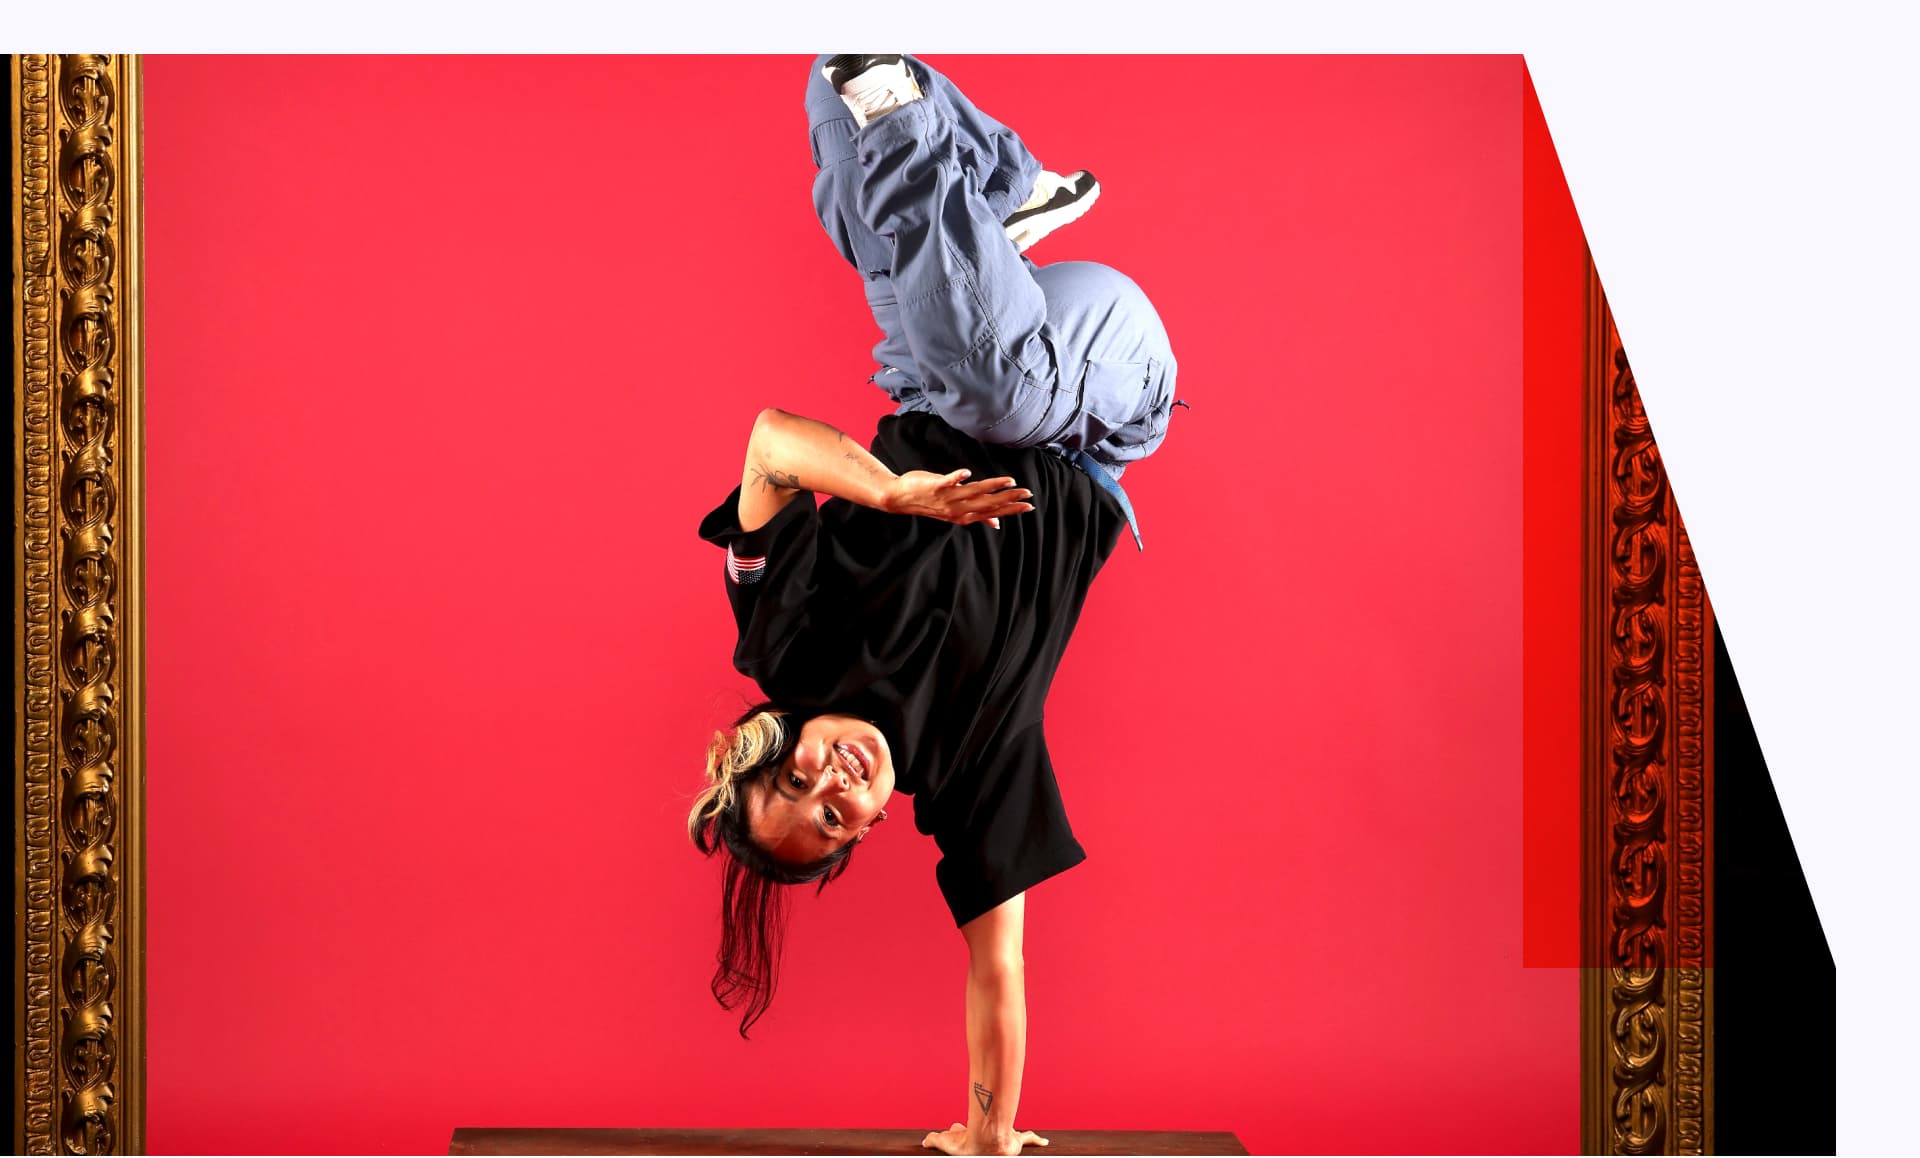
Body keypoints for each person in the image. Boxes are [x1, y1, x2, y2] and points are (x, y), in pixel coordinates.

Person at [686, 55, 1181, 1156]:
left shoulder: (789, 641)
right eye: (828, 817)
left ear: (782, 744)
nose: (831, 780)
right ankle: (939, 154)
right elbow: (996, 966)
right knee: (984, 378)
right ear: (862, 835)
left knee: (849, 153)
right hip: (1096, 404)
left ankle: (973, 167)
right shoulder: (971, 776)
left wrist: (892, 486)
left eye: (796, 776)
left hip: (954, 368)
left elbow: (771, 442)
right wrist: (989, 1136)